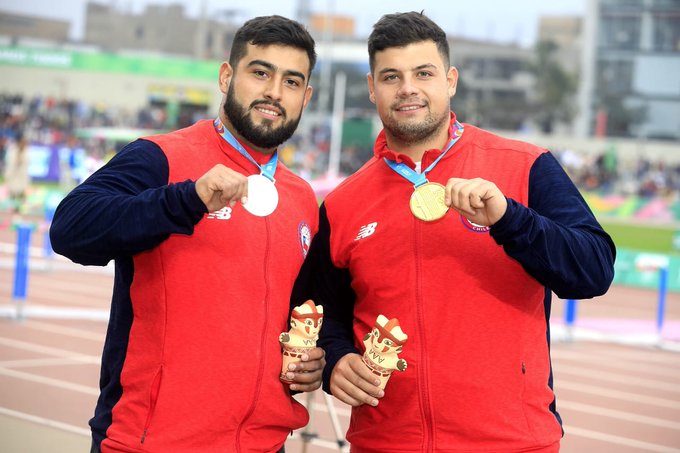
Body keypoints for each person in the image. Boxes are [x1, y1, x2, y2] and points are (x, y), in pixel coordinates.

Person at [308, 11, 616, 452]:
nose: (408, 88)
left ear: (450, 81)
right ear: (372, 88)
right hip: (385, 443)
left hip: (510, 442)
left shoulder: (526, 166)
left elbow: (594, 271)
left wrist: (511, 219)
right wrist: (337, 359)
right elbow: (322, 312)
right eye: (392, 77)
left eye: (424, 73)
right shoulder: (343, 204)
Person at [50, 15, 324, 453]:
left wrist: (316, 358)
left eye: (291, 82)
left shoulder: (303, 198)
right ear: (226, 76)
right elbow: (70, 228)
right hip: (150, 442)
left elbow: (304, 312)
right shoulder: (160, 157)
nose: (275, 92)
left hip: (263, 445)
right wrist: (186, 199)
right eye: (260, 73)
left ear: (305, 97)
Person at [3, 133, 30, 214]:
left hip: (22, 177)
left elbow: (26, 162)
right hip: (13, 176)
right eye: (22, 141)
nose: (24, 143)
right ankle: (12, 210)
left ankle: (21, 210)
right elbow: (10, 164)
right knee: (12, 193)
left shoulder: (26, 151)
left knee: (22, 193)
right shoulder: (12, 150)